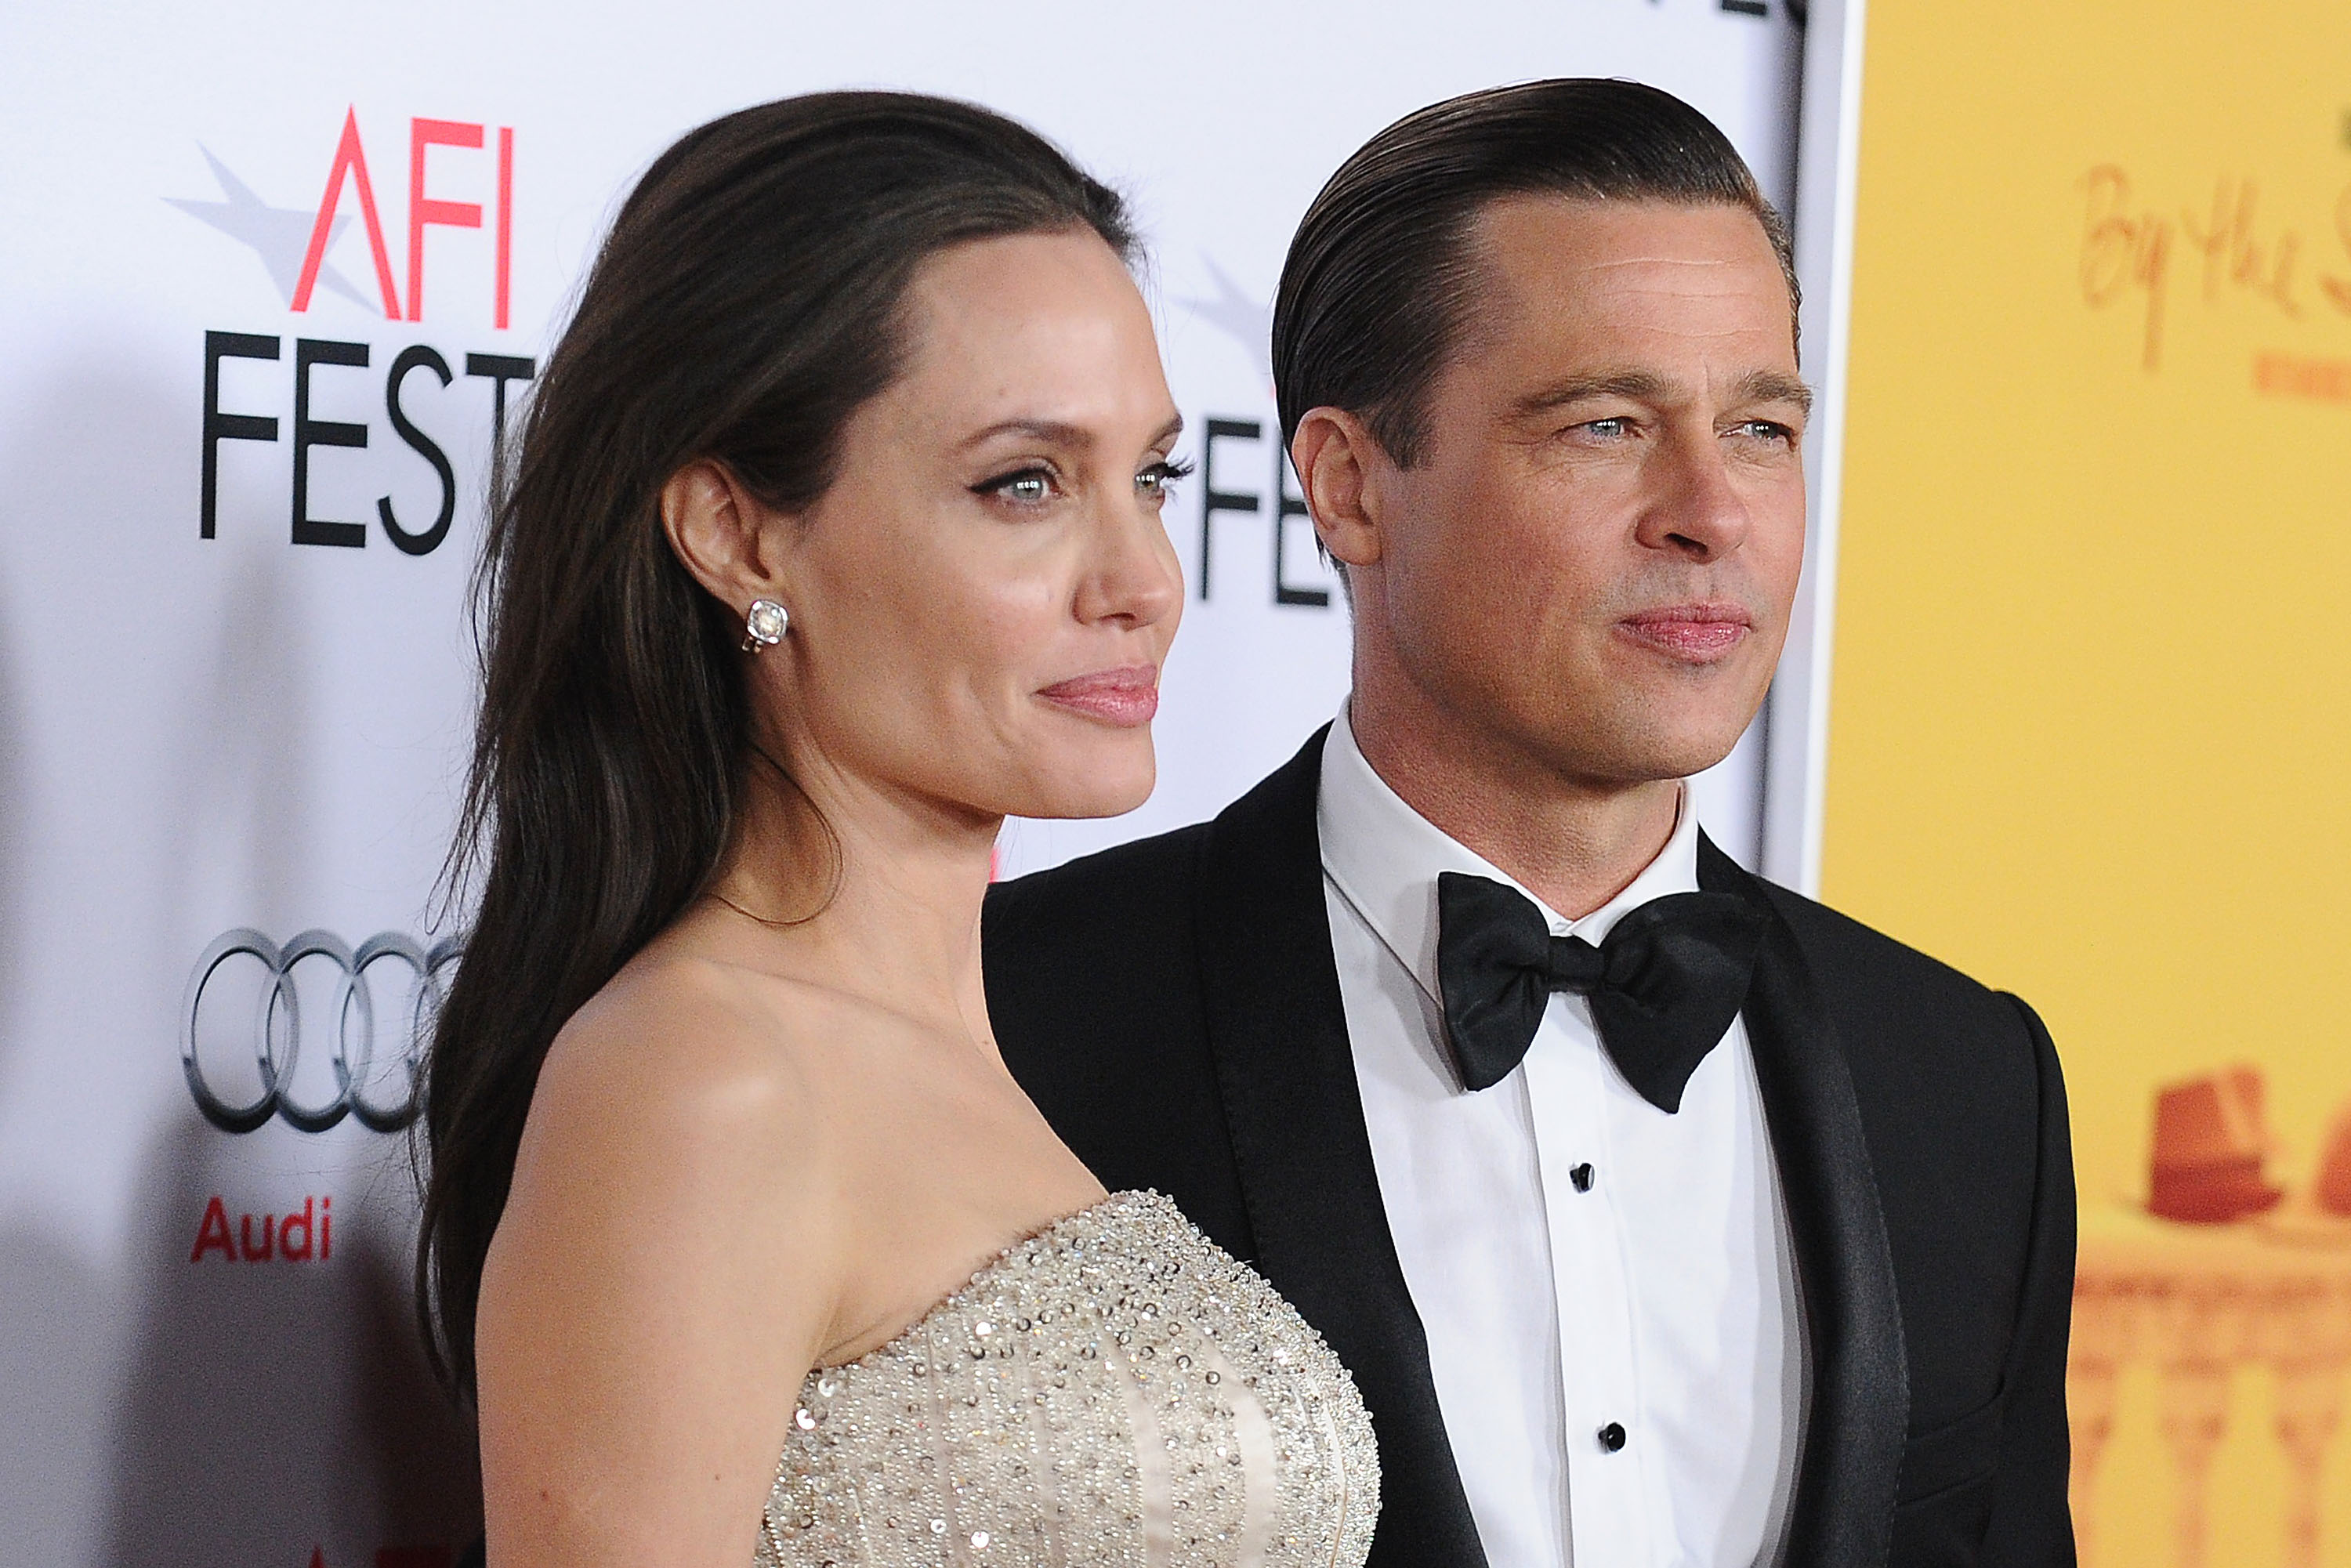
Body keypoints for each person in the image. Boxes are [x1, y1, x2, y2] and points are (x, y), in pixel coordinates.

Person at [984, 79, 2074, 1568]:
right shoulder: (1007, 1020)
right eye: (1607, 424)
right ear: (1349, 486)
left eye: (1761, 426)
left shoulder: (1969, 1082)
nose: (1713, 511)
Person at [418, 92, 1379, 1568]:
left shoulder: (1006, 1039)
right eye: (1024, 484)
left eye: (1152, 477)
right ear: (737, 534)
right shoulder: (698, 1080)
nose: (1142, 580)